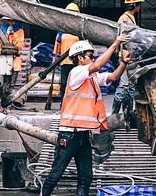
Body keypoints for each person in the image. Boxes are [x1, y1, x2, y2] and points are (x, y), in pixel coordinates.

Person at [41, 34, 131, 196]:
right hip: (69, 135)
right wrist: (115, 44)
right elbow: (96, 66)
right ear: (80, 58)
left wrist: (124, 62)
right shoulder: (76, 72)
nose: (92, 58)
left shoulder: (92, 77)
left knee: (86, 177)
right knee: (56, 173)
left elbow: (113, 77)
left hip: (83, 136)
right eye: (90, 56)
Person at [112, 0, 144, 115]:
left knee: (130, 87)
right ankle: (114, 115)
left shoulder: (130, 18)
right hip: (126, 57)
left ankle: (128, 115)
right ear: (135, 5)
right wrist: (125, 56)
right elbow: (123, 39)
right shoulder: (124, 19)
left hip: (131, 57)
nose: (140, 6)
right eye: (139, 4)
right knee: (124, 86)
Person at [53, 3, 80, 100]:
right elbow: (57, 44)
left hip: (77, 62)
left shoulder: (79, 29)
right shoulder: (62, 29)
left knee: (75, 83)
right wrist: (54, 58)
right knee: (64, 83)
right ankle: (63, 103)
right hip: (64, 61)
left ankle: (74, 103)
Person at [0, 17, 25, 98]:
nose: (11, 22)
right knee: (5, 83)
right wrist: (7, 34)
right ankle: (3, 101)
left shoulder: (20, 31)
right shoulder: (2, 30)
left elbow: (20, 46)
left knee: (11, 85)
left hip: (15, 60)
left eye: (13, 21)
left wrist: (13, 35)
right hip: (5, 60)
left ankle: (9, 103)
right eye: (9, 20)